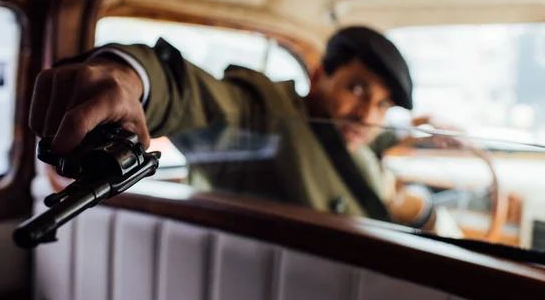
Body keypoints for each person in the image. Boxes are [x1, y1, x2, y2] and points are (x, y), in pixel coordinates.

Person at [29, 25, 435, 228]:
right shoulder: (264, 112)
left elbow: (377, 136)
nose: (367, 114)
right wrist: (132, 80)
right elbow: (198, 98)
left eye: (383, 104)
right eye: (358, 88)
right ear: (317, 75)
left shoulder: (352, 133)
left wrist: (424, 135)